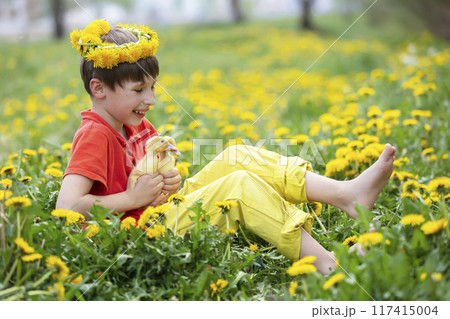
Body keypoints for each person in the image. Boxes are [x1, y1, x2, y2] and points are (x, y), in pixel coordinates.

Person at [57, 20, 396, 276]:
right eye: (139, 90)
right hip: (130, 240)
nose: (151, 99)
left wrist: (167, 182)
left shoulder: (135, 124)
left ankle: (344, 194)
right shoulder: (95, 134)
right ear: (98, 89)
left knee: (236, 156)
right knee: (238, 186)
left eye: (153, 87)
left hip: (152, 214)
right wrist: (132, 200)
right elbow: (69, 206)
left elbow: (140, 180)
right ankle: (331, 266)